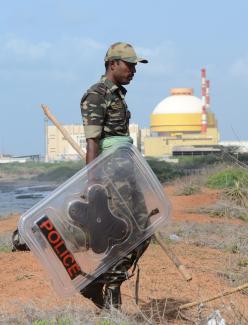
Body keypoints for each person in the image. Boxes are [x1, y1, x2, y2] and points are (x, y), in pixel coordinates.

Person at [80, 42, 149, 309]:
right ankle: (109, 292)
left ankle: (100, 281)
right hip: (110, 174)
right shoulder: (96, 95)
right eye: (129, 65)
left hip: (124, 168)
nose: (133, 70)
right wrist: (92, 182)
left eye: (134, 66)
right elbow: (93, 143)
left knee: (143, 229)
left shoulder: (117, 95)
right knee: (122, 231)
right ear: (112, 65)